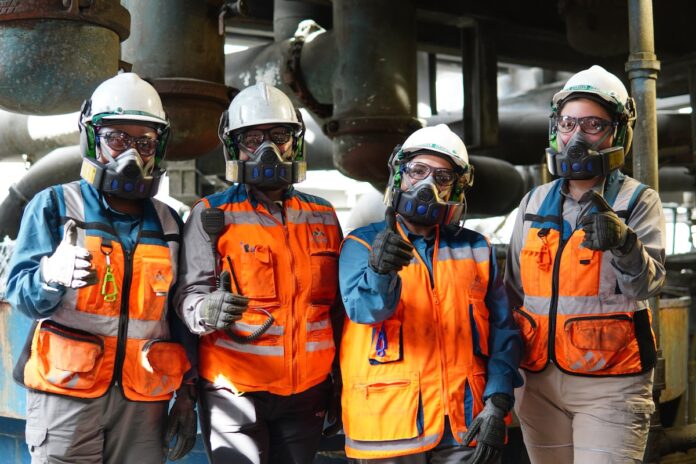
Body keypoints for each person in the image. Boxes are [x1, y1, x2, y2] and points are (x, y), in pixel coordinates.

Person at [6, 72, 197, 463]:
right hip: (67, 395)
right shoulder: (54, 206)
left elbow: (179, 316)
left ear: (158, 148)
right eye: (118, 139)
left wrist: (186, 396)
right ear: (92, 139)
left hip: (143, 401)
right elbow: (21, 294)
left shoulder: (170, 223)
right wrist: (49, 276)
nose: (132, 154)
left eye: (144, 142)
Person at [505, 65, 667, 463]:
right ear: (555, 130)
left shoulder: (637, 201)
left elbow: (647, 286)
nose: (576, 137)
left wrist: (624, 242)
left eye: (593, 124)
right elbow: (513, 293)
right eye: (568, 123)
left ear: (618, 132)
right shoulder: (533, 203)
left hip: (611, 383)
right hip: (538, 383)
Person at [175, 81, 343, 464]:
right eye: (252, 139)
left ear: (294, 143)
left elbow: (336, 310)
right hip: (235, 389)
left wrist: (340, 381)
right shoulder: (211, 215)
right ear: (234, 147)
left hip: (308, 392)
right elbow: (187, 296)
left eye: (279, 136)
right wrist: (205, 310)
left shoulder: (323, 216)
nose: (267, 149)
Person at [339, 124, 523, 463]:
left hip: (464, 426)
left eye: (442, 177)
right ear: (399, 175)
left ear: (456, 188)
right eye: (418, 171)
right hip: (387, 429)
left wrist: (498, 401)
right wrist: (380, 271)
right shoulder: (361, 244)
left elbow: (503, 332)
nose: (427, 185)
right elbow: (363, 310)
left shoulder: (476, 248)